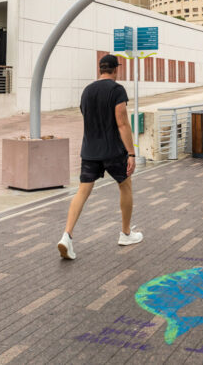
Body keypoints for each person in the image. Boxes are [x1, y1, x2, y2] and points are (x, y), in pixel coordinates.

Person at [57, 54, 143, 260]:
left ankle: (66, 236)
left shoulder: (87, 91)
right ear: (115, 70)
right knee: (125, 186)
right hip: (113, 150)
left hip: (90, 151)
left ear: (100, 69)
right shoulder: (117, 90)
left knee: (82, 192)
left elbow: (87, 116)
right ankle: (126, 233)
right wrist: (131, 153)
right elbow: (122, 123)